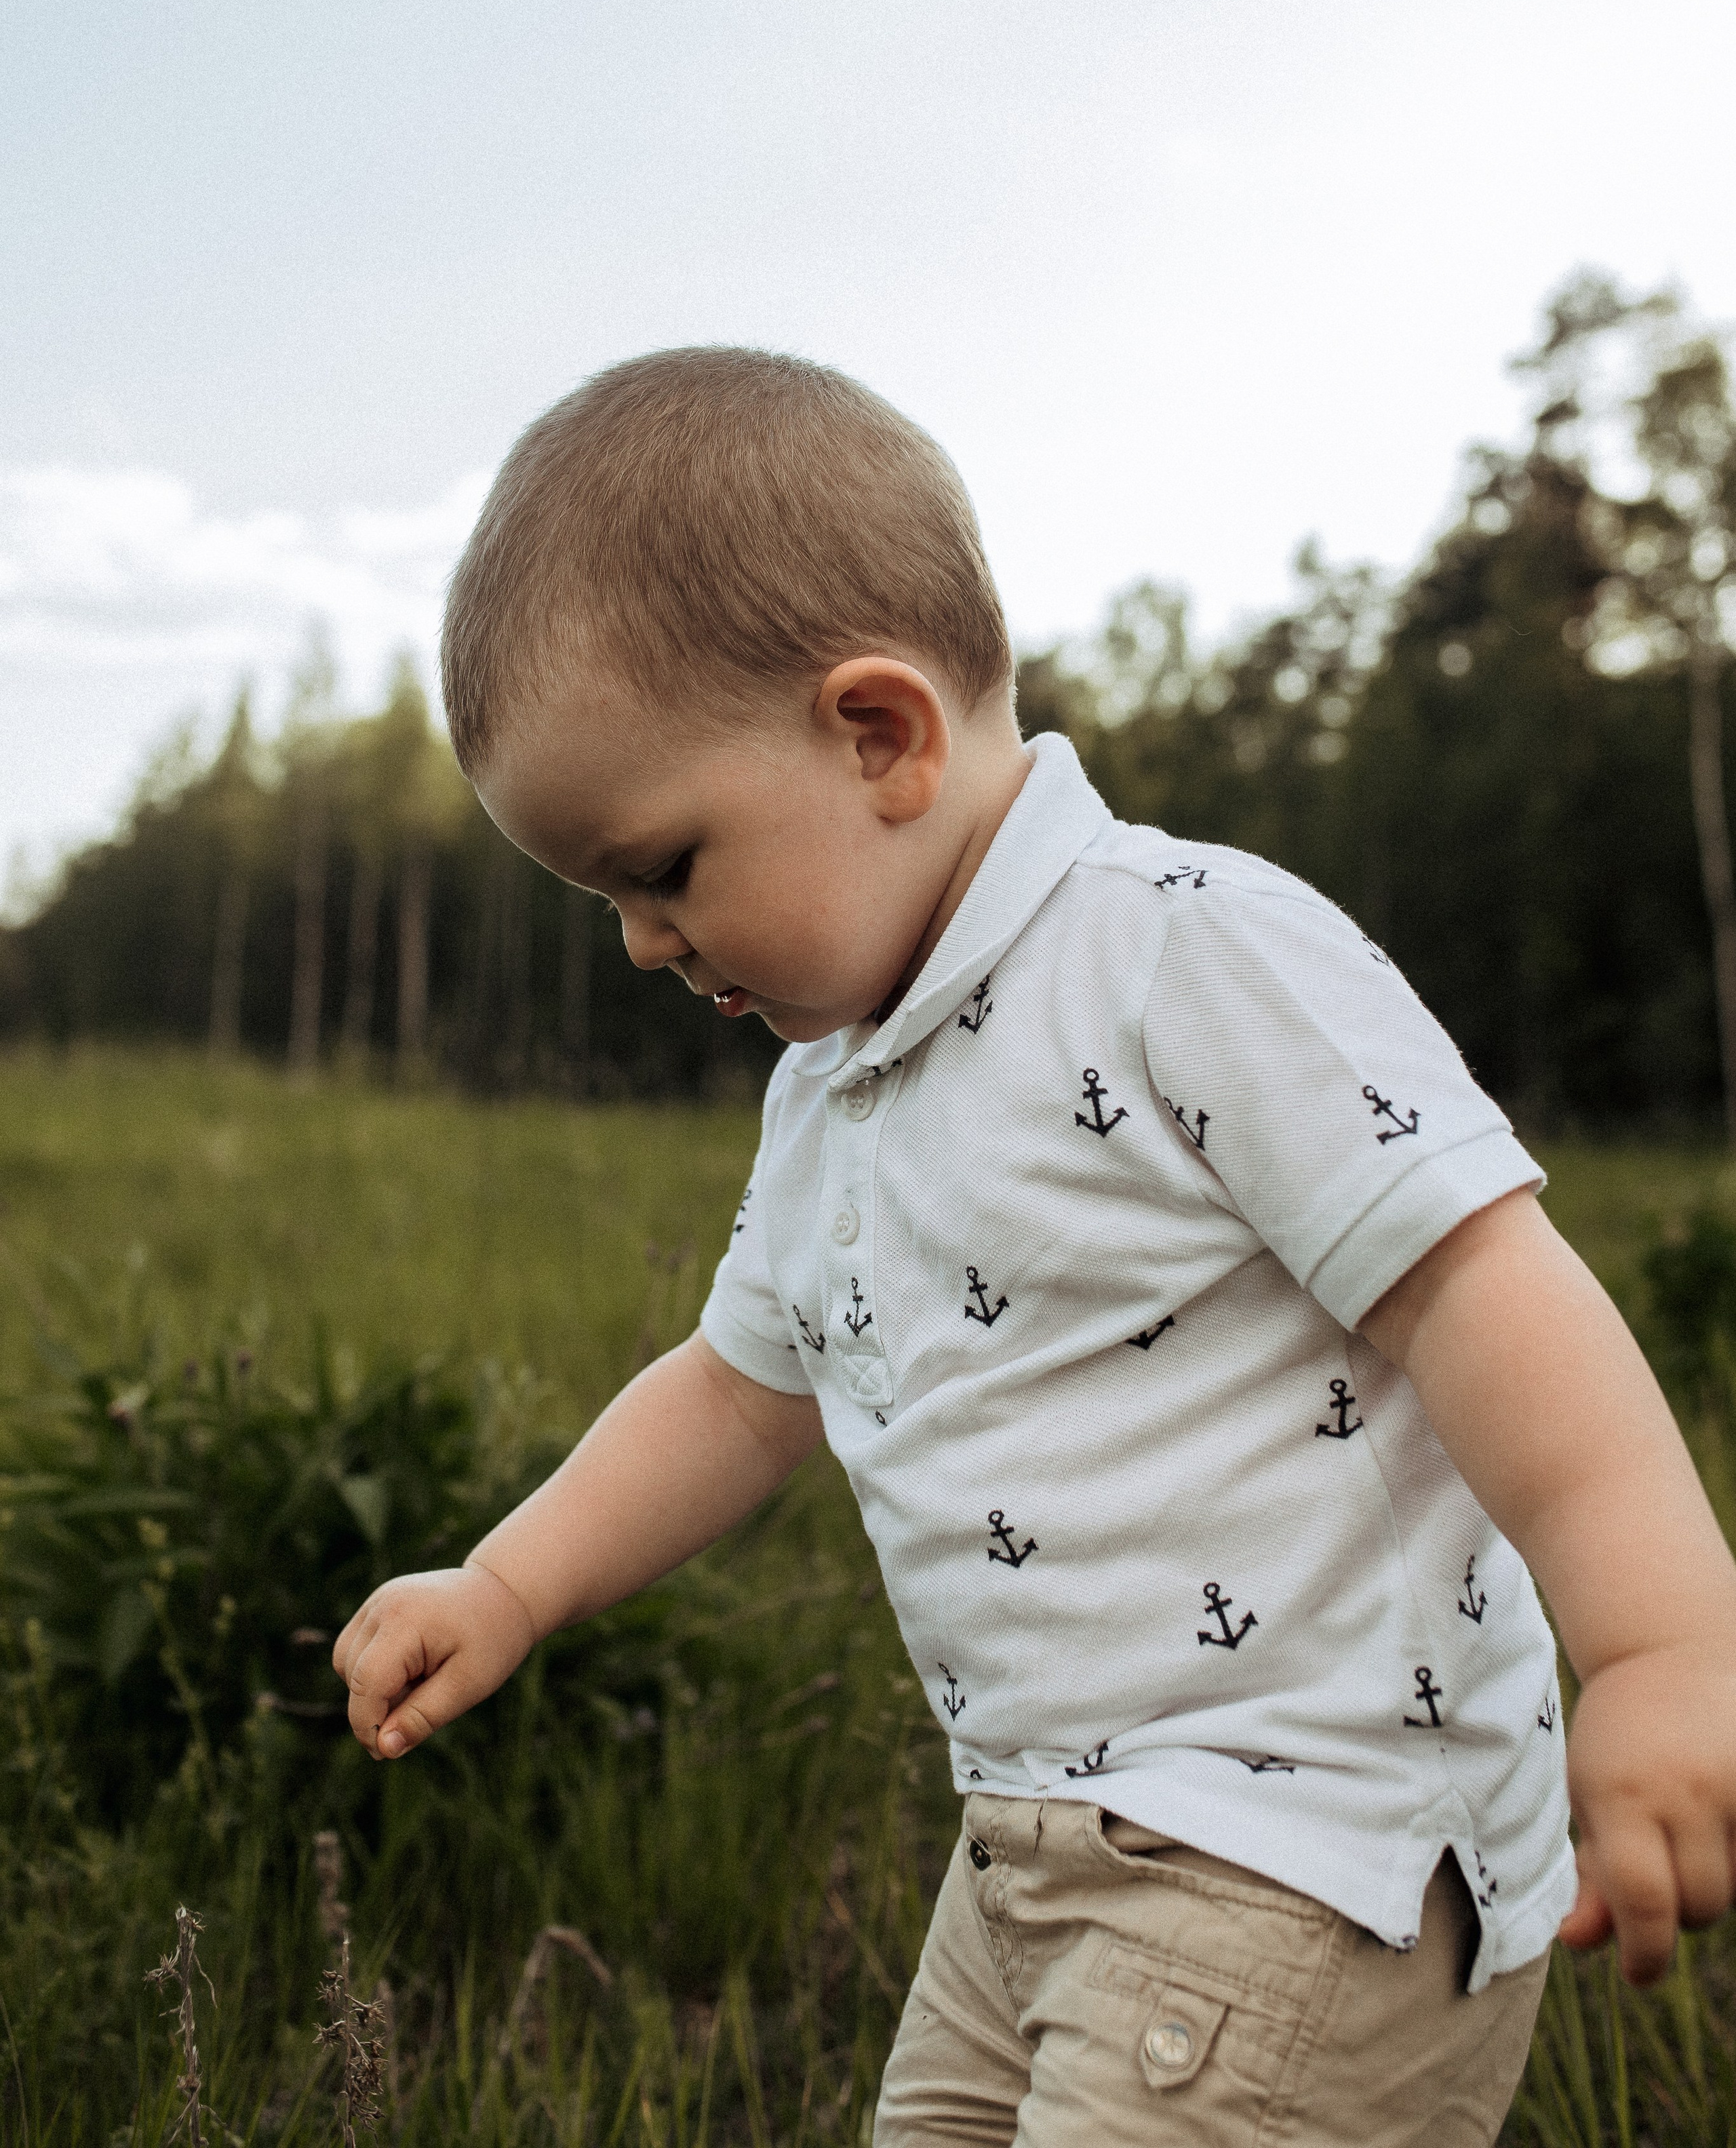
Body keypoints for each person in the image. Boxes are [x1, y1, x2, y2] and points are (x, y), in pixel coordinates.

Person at [335, 346, 1736, 2145]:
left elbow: (1484, 1283)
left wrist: (1659, 1652)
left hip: (1310, 1858)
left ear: (879, 733)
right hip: (1028, 1851)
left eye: (662, 866)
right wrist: (509, 1582)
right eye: (606, 899)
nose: (642, 944)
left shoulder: (1182, 955)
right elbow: (737, 1390)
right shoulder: (834, 1088)